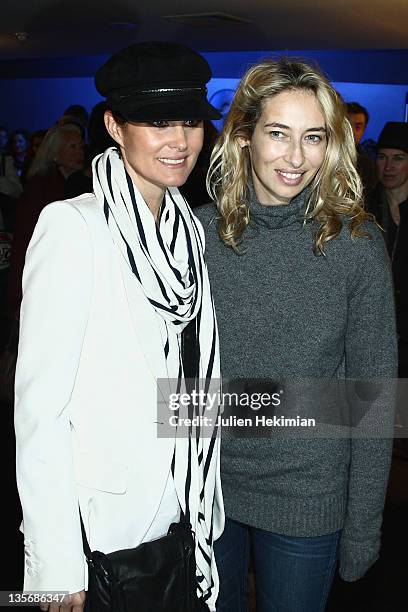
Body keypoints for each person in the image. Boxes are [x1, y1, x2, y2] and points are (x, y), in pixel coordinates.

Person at [14, 41, 224, 612]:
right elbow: (41, 412)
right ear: (113, 125)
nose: (180, 141)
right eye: (158, 123)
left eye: (190, 121)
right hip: (102, 527)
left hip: (182, 511)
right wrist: (54, 564)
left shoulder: (189, 234)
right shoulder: (73, 227)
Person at [195, 58, 397, 612]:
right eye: (277, 133)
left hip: (309, 499)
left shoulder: (356, 245)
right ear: (243, 137)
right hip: (207, 492)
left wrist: (363, 526)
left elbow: (373, 401)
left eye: (313, 137)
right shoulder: (200, 233)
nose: (295, 157)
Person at [5, 123, 84, 321]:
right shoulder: (39, 188)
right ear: (55, 153)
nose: (79, 152)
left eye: (81, 146)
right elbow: (26, 240)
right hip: (44, 277)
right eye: (72, 147)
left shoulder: (80, 185)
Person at [346, 101, 377, 197]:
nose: (352, 132)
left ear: (364, 129)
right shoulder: (322, 156)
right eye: (346, 125)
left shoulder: (368, 165)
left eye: (358, 127)